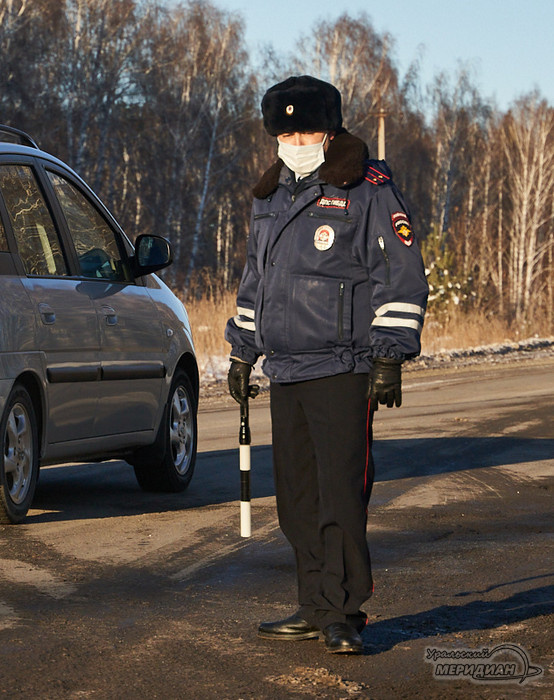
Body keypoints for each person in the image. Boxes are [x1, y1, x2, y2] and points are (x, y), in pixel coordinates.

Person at [224, 75, 428, 654]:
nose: (297, 137)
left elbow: (402, 274)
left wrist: (389, 354)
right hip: (286, 369)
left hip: (343, 367)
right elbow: (255, 282)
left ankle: (343, 612)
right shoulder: (269, 195)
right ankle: (313, 605)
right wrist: (243, 350)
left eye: (308, 127)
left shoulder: (367, 188)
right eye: (286, 129)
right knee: (296, 500)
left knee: (341, 495)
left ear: (332, 127)